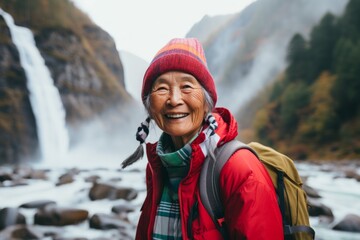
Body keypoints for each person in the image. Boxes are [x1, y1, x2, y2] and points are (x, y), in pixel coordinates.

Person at [122, 38, 283, 240]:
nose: (174, 99)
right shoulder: (158, 166)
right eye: (161, 88)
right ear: (149, 106)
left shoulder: (240, 169)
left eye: (187, 86)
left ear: (207, 103)